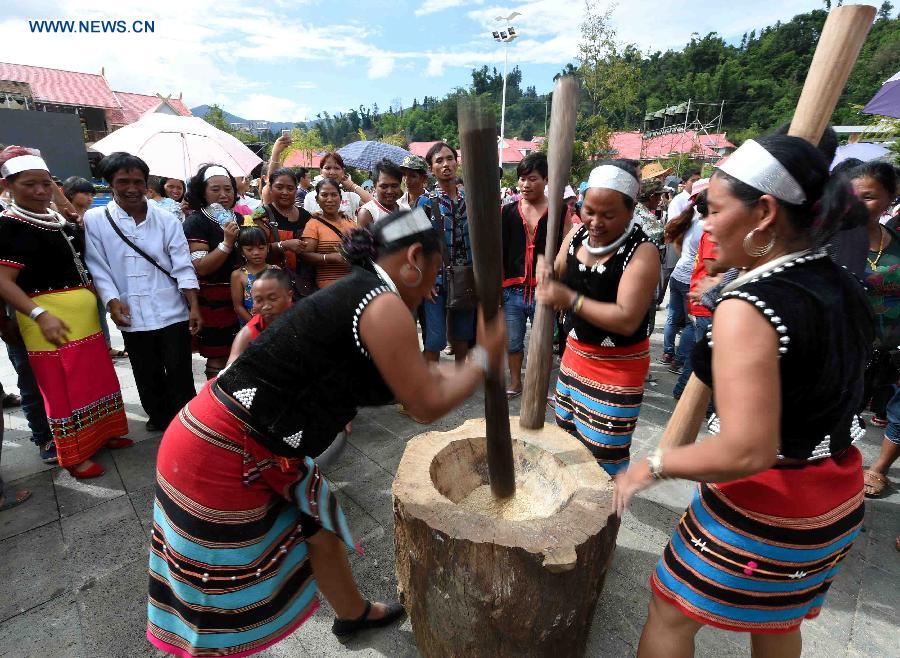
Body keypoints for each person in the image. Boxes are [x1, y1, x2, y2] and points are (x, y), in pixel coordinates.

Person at [146, 207, 507, 656]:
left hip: (238, 436)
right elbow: (425, 404)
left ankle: (352, 614)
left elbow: (420, 382)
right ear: (414, 256)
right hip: (222, 450)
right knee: (221, 594)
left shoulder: (365, 291)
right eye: (434, 273)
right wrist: (485, 358)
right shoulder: (383, 303)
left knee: (318, 523)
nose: (434, 289)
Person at [615, 135, 873, 658]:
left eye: (712, 210)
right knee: (778, 619)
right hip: (835, 493)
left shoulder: (749, 306)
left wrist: (653, 465)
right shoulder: (838, 280)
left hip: (767, 499)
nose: (704, 226)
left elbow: (745, 451)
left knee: (671, 611)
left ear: (765, 212)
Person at [0, 146, 130, 479]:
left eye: (46, 183)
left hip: (84, 319)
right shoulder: (9, 227)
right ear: (7, 186)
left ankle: (102, 434)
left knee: (93, 377)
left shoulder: (59, 221)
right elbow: (3, 281)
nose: (41, 191)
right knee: (61, 387)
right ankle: (74, 455)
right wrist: (40, 314)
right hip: (48, 321)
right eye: (30, 184)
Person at [536, 161, 660, 476]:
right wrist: (546, 270)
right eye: (589, 210)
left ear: (631, 210)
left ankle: (604, 520)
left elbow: (626, 319)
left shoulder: (641, 252)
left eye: (608, 215)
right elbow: (559, 271)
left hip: (615, 370)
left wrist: (570, 300)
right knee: (567, 449)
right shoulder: (576, 234)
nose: (595, 221)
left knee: (602, 463)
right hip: (573, 359)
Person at [84, 152, 202, 433]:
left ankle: (187, 419)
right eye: (123, 181)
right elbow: (98, 266)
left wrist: (194, 306)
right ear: (110, 183)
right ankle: (159, 415)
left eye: (138, 181)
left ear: (147, 183)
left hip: (171, 309)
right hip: (130, 311)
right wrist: (112, 302)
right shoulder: (96, 220)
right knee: (144, 368)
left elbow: (182, 265)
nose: (132, 188)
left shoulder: (166, 220)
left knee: (179, 369)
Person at [500, 152, 571, 397]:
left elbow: (567, 248)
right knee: (513, 342)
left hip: (545, 290)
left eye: (532, 178)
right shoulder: (506, 212)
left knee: (542, 345)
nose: (525, 184)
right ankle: (515, 383)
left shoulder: (560, 211)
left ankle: (539, 384)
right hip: (512, 289)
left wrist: (563, 286)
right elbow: (499, 250)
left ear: (546, 180)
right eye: (521, 179)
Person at [849, 162, 900, 497]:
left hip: (893, 348)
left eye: (867, 196)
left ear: (890, 199)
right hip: (848, 349)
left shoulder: (896, 243)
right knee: (840, 412)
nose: (854, 203)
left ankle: (879, 468)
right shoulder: (829, 242)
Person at [183, 164, 244, 379]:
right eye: (215, 189)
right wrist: (227, 243)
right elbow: (201, 267)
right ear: (203, 191)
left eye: (228, 189)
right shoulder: (195, 222)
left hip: (242, 294)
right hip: (214, 298)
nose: (223, 194)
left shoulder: (239, 218)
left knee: (242, 351)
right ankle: (215, 402)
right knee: (218, 355)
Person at [422, 142, 477, 363]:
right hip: (435, 280)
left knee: (463, 334)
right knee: (435, 339)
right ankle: (431, 385)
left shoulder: (470, 201)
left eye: (449, 159)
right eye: (439, 161)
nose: (446, 164)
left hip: (466, 276)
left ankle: (460, 380)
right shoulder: (425, 203)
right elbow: (417, 245)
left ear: (457, 162)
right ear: (431, 168)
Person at [661, 179, 709, 376]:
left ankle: (667, 354)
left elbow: (680, 246)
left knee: (673, 318)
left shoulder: (690, 220)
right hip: (691, 278)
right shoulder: (706, 226)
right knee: (690, 323)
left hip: (679, 274)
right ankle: (679, 360)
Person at [253, 168, 309, 284]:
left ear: (296, 190)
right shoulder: (259, 215)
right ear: (271, 189)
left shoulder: (306, 216)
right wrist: (283, 245)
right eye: (279, 187)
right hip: (270, 280)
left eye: (290, 188)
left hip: (302, 282)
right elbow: (252, 248)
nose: (285, 192)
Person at [226, 268, 294, 364]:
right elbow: (231, 372)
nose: (266, 306)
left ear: (289, 296)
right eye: (259, 300)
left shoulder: (306, 320)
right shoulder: (248, 334)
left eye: (273, 299)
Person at [301, 178, 356, 289]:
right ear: (317, 199)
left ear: (340, 198)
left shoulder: (351, 223)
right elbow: (305, 256)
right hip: (327, 288)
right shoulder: (313, 224)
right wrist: (329, 257)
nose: (329, 199)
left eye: (334, 195)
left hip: (354, 283)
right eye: (324, 195)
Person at [230, 223, 275, 325]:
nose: (256, 253)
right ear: (242, 251)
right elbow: (238, 307)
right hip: (251, 325)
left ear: (267, 248)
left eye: (261, 248)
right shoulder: (238, 275)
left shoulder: (275, 270)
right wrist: (256, 325)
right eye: (249, 249)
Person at [303, 151, 372, 215]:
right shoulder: (310, 197)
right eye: (328, 168)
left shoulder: (351, 197)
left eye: (337, 168)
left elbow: (375, 205)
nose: (332, 172)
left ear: (343, 171)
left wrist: (352, 185)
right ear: (321, 171)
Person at [357, 158, 404, 228]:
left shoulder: (405, 208)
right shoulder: (367, 213)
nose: (390, 191)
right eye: (384, 186)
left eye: (394, 186)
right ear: (375, 186)